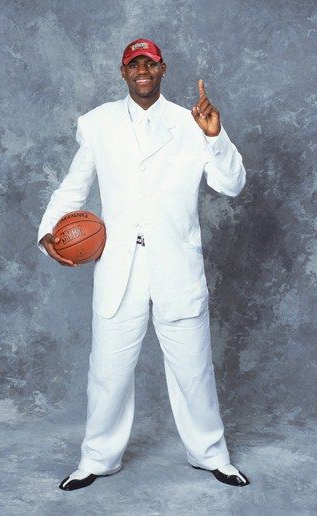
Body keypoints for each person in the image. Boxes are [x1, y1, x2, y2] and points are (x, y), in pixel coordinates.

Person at [37, 38, 250, 490]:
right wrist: (47, 234)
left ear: (163, 69)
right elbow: (72, 190)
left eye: (149, 64)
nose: (142, 71)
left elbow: (230, 185)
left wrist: (216, 135)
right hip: (119, 268)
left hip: (176, 266)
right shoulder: (97, 124)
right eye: (133, 64)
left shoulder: (192, 123)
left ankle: (211, 454)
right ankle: (96, 459)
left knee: (194, 369)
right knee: (107, 372)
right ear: (122, 72)